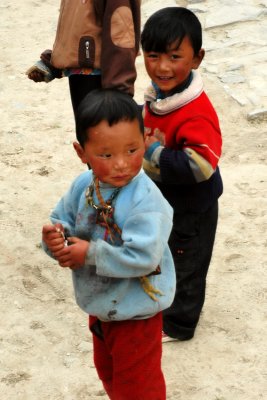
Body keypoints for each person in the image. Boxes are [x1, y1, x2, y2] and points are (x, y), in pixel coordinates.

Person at [42, 89, 176, 400]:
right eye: (106, 154)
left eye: (132, 150)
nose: (120, 164)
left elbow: (144, 257)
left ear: (145, 140)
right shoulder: (83, 186)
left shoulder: (146, 200)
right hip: (102, 306)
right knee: (109, 372)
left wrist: (89, 253)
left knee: (139, 388)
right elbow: (61, 221)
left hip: (136, 314)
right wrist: (55, 240)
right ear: (82, 152)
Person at [140, 7, 223, 342]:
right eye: (153, 55)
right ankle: (163, 304)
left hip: (193, 208)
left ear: (197, 58)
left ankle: (179, 326)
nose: (162, 66)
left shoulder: (195, 112)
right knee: (165, 254)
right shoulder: (161, 95)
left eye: (175, 56)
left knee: (187, 264)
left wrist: (150, 153)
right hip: (166, 200)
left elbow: (201, 165)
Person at [26, 0, 141, 119]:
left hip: (100, 74)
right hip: (83, 70)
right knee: (86, 133)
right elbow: (79, 22)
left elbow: (121, 33)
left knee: (99, 132)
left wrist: (119, 95)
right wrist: (54, 61)